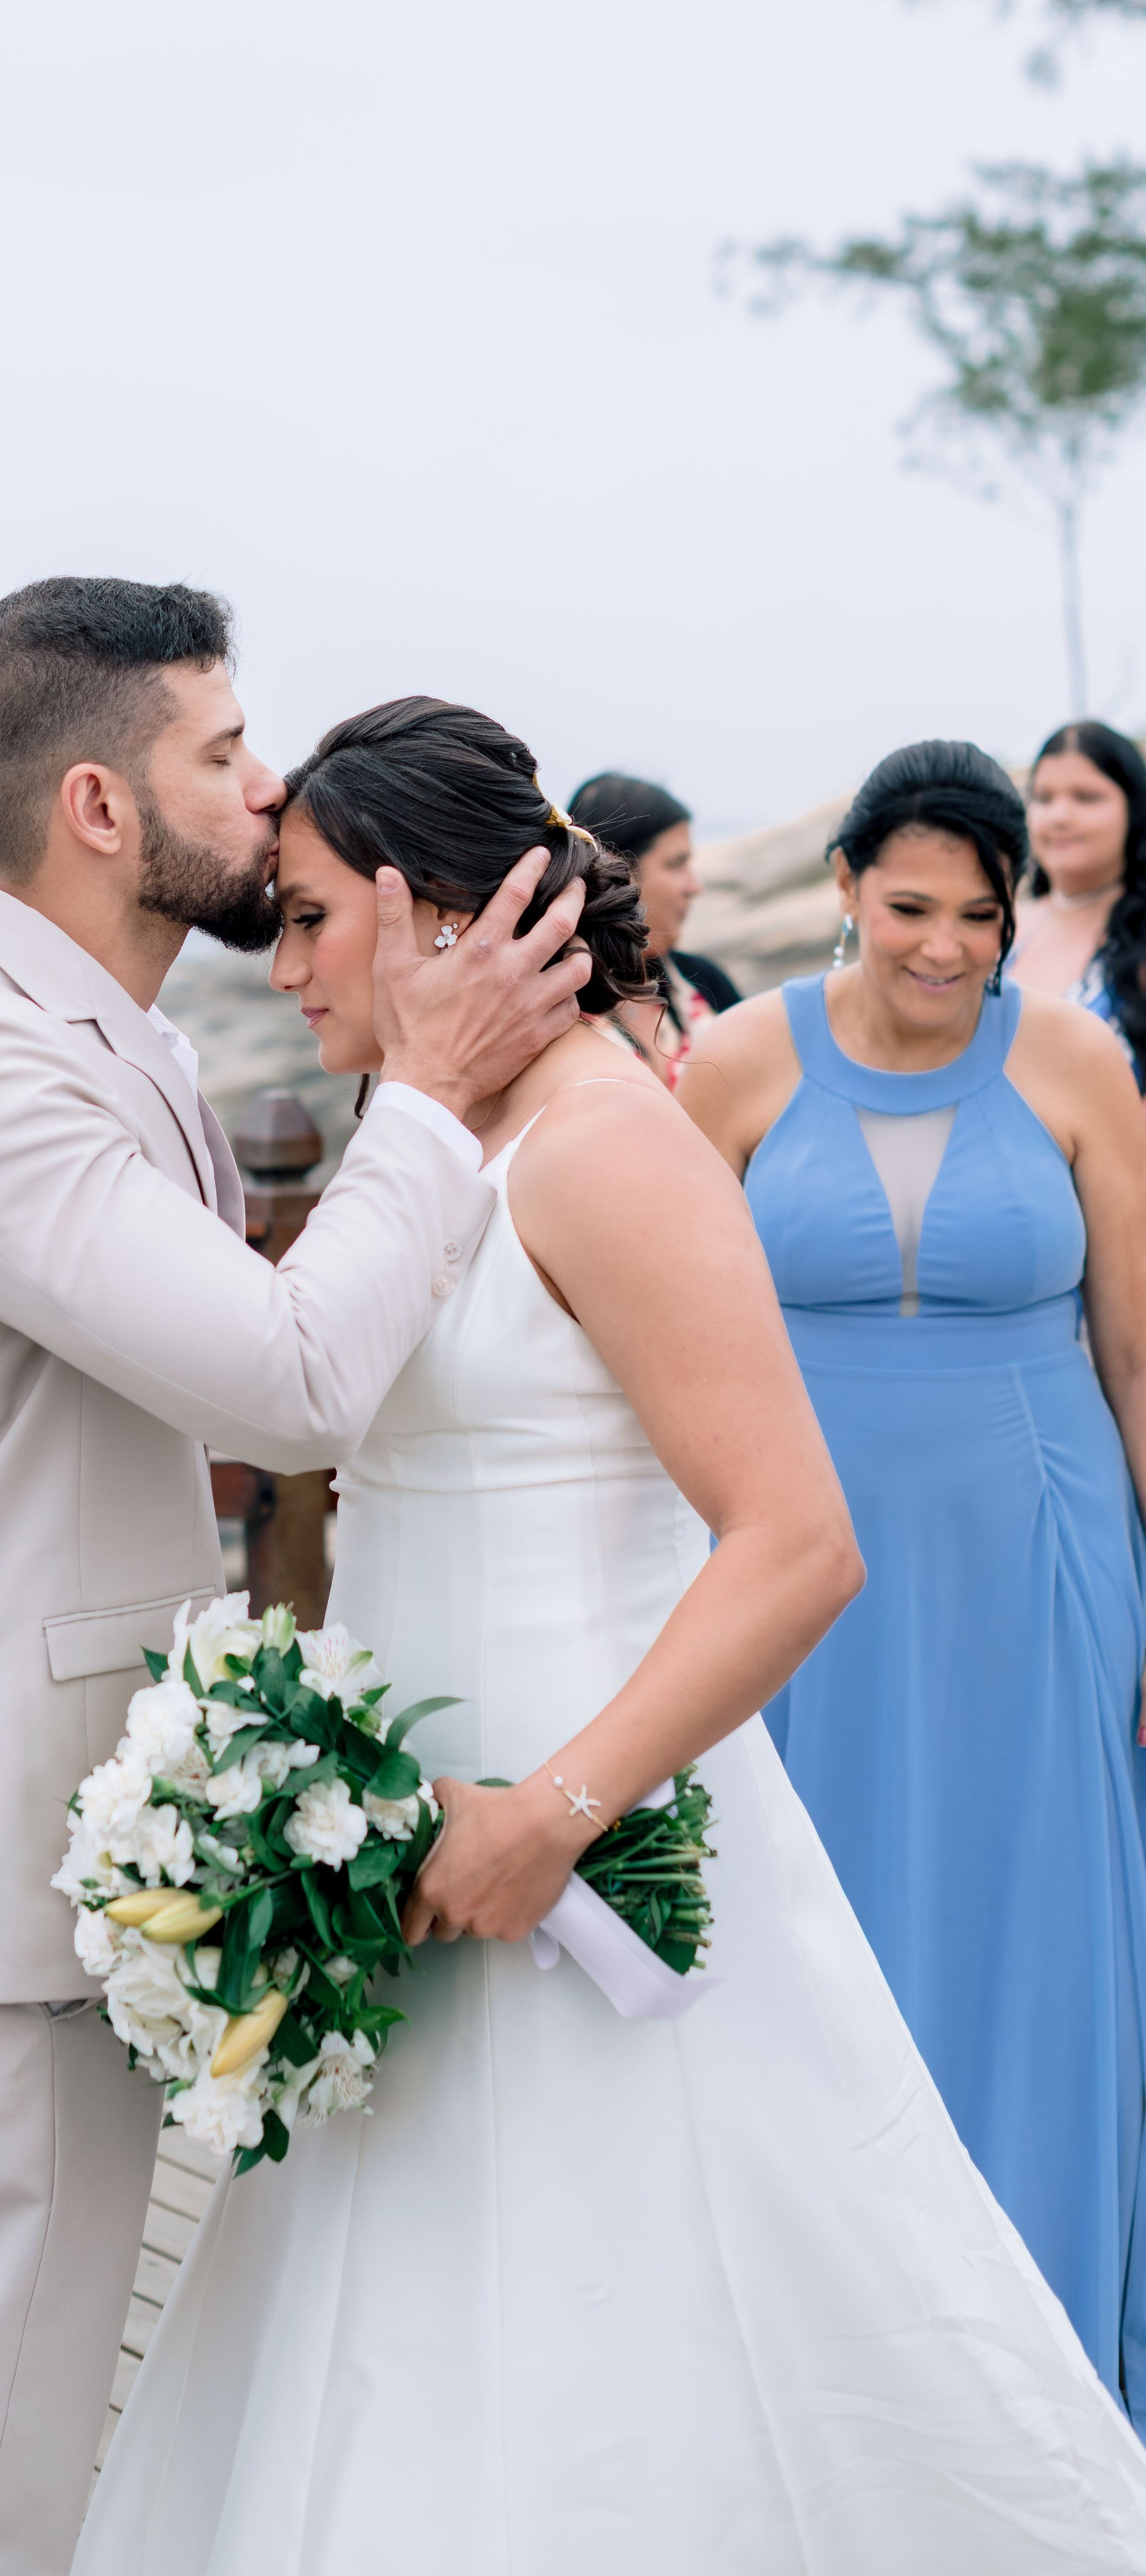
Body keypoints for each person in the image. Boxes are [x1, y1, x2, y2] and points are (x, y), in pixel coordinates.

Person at [74, 701, 1146, 2576]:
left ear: (438, 913)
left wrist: (553, 1815)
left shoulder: (602, 1148)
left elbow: (796, 1545)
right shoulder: (422, 1142)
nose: (287, 966)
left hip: (595, 1862)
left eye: (311, 918)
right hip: (416, 1869)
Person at [0, 583, 595, 2576]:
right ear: (104, 807)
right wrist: (431, 1097)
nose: (269, 784)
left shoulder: (97, 1041)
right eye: (224, 750)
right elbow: (287, 1382)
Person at [679, 738, 1146, 2428]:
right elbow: (650, 1347)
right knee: (816, 1934)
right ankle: (828, 2376)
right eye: (908, 908)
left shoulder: (1079, 1062)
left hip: (1037, 1560)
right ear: (844, 891)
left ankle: (1040, 2378)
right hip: (799, 1577)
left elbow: (1138, 1359)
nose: (944, 946)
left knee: (1038, 1944)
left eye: (978, 913)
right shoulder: (735, 1063)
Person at [569, 769, 740, 1085]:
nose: (695, 886)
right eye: (676, 864)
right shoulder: (560, 1015)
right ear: (617, 873)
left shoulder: (705, 981)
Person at [1013, 719, 1146, 1089]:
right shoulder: (998, 929)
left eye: (1086, 797)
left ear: (1134, 808)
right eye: (1044, 798)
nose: (1060, 817)